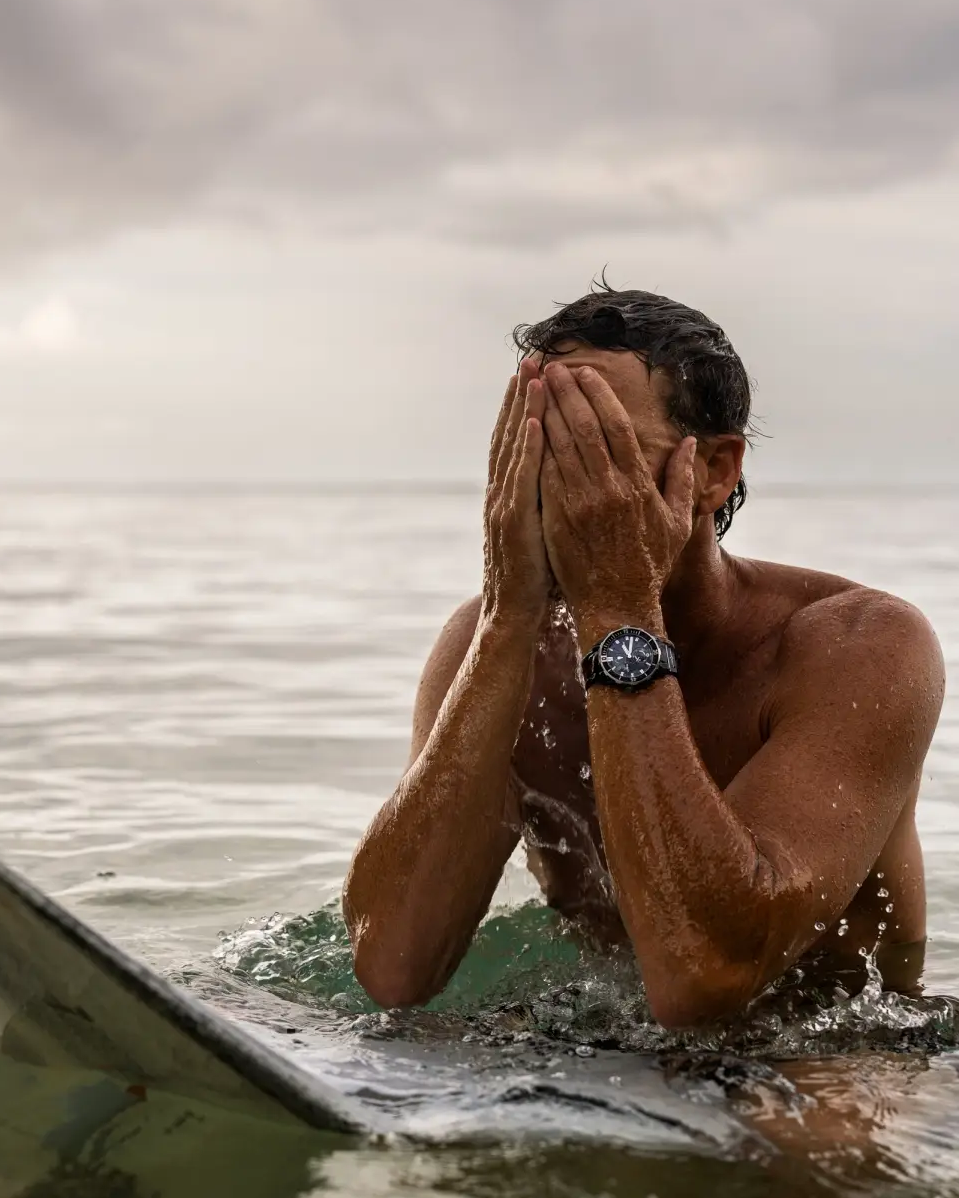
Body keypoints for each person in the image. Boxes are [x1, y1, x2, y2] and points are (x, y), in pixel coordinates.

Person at [342, 285, 945, 1027]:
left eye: (598, 446)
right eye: (537, 443)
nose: (557, 483)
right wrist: (505, 617)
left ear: (716, 470)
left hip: (829, 1044)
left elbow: (707, 977)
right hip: (606, 1040)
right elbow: (393, 968)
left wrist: (619, 609)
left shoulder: (857, 645)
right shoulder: (495, 646)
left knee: (804, 1116)